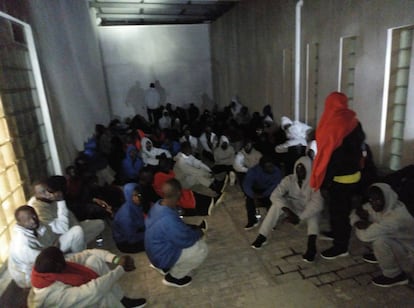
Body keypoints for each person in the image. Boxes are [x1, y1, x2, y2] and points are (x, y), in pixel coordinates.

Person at [310, 92, 365, 259]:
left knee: (339, 211)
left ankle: (341, 246)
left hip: (340, 178)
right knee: (341, 209)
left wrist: (325, 182)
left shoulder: (335, 124)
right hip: (354, 174)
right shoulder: (353, 121)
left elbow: (333, 157)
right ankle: (336, 233)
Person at [251, 157, 323, 262]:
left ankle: (311, 247)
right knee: (275, 206)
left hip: (306, 211)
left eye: (302, 169)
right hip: (293, 208)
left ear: (309, 169)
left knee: (314, 216)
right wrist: (287, 210)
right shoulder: (289, 179)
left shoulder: (315, 182)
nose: (299, 172)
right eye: (297, 168)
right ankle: (262, 235)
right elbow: (274, 195)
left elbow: (317, 203)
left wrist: (299, 218)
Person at [27, 246, 146, 308]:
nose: (66, 261)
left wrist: (116, 259)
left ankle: (121, 299)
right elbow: (94, 290)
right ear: (58, 267)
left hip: (75, 295)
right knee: (101, 294)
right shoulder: (52, 295)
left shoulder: (47, 271)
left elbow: (88, 253)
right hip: (67, 303)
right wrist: (120, 269)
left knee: (94, 260)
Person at [145, 179, 208, 287]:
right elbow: (185, 241)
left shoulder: (158, 205)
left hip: (155, 251)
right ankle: (173, 277)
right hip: (161, 257)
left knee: (187, 234)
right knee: (201, 249)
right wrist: (198, 232)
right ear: (179, 193)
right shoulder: (168, 219)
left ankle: (166, 267)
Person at [350, 183, 414, 287]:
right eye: (371, 200)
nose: (373, 204)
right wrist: (357, 221)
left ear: (387, 197)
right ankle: (384, 256)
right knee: (375, 231)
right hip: (398, 243)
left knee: (380, 241)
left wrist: (362, 222)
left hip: (409, 255)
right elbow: (355, 212)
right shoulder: (385, 204)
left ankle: (395, 275)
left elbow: (364, 236)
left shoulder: (396, 217)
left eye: (377, 201)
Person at [8, 205, 85, 288]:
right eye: (27, 219)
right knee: (74, 262)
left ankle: (79, 261)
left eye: (34, 216)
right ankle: (78, 265)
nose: (33, 221)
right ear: (20, 223)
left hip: (48, 252)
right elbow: (43, 262)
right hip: (31, 273)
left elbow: (54, 237)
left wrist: (54, 248)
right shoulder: (21, 243)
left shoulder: (36, 225)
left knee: (77, 231)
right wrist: (55, 250)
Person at [29, 178, 105, 245]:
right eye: (43, 192)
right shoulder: (39, 209)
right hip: (59, 239)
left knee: (99, 224)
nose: (48, 194)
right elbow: (61, 229)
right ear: (36, 195)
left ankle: (77, 245)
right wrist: (61, 201)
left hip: (72, 227)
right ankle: (76, 253)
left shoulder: (49, 198)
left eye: (48, 189)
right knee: (77, 232)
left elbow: (72, 210)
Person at [242, 156, 282, 230]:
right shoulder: (253, 171)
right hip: (255, 189)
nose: (271, 168)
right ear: (262, 167)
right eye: (268, 167)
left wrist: (264, 195)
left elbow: (275, 185)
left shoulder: (277, 172)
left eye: (272, 166)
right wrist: (253, 195)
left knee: (273, 201)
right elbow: (246, 185)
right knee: (249, 201)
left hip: (268, 190)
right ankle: (252, 220)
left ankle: (271, 221)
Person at [112, 184, 146, 253]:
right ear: (128, 196)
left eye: (139, 194)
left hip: (135, 231)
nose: (138, 197)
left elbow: (140, 222)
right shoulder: (125, 216)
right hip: (125, 243)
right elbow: (132, 239)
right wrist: (148, 233)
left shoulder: (134, 206)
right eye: (134, 195)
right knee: (156, 240)